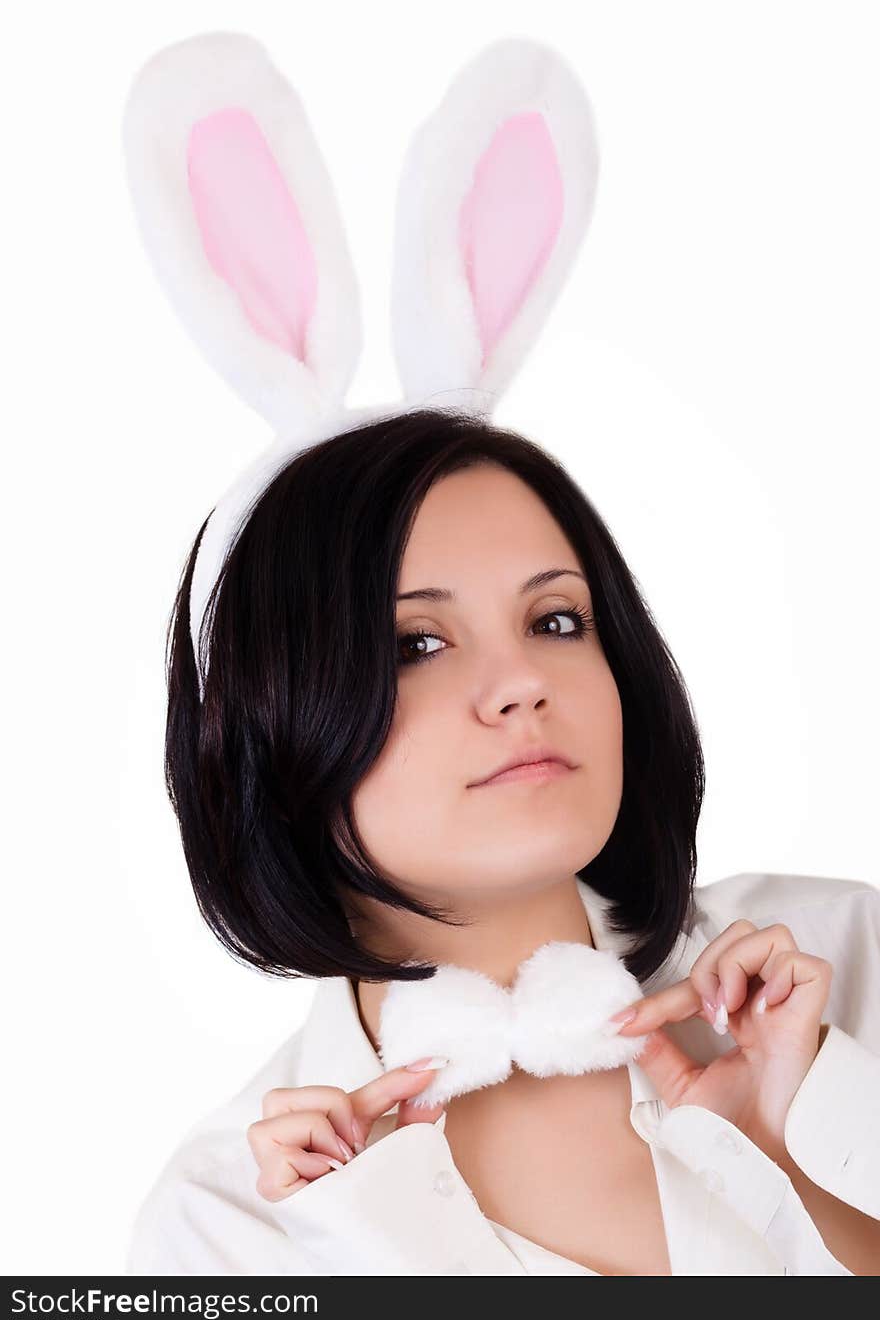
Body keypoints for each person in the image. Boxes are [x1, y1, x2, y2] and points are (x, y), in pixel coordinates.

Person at [126, 410, 880, 1276]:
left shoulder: (847, 963)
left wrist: (799, 1162)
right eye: (416, 644)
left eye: (556, 620)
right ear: (274, 723)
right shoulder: (224, 1225)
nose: (522, 682)